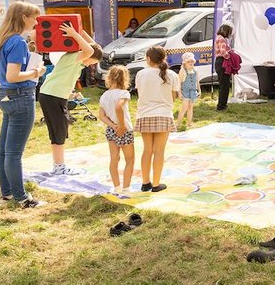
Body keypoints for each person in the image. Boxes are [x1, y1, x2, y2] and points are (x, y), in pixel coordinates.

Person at [0, 1, 45, 208]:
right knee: (14, 152)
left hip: (6, 97)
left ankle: (8, 194)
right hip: (21, 97)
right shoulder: (18, 43)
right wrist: (36, 73)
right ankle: (22, 198)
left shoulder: (1, 39)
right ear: (24, 17)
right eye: (34, 18)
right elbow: (14, 76)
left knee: (3, 150)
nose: (36, 22)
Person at [38, 24, 102, 175]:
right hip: (51, 96)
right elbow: (90, 50)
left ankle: (59, 165)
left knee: (61, 129)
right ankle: (59, 167)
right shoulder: (75, 57)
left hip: (54, 96)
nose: (89, 65)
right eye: (91, 63)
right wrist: (73, 33)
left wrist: (80, 30)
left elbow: (95, 47)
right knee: (58, 132)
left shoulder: (76, 59)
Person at [135, 46, 180, 192]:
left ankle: (145, 183)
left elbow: (140, 93)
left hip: (145, 114)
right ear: (163, 58)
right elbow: (173, 97)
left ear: (148, 59)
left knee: (147, 150)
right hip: (163, 114)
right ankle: (155, 184)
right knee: (159, 151)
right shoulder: (172, 75)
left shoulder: (141, 74)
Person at [98, 65, 135, 193]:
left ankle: (117, 186)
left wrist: (113, 125)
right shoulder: (124, 94)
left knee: (114, 158)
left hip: (111, 129)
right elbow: (119, 108)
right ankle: (126, 188)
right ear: (124, 79)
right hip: (124, 130)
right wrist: (121, 125)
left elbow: (101, 116)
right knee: (130, 159)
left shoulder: (104, 95)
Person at [177, 52, 199, 129]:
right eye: (188, 62)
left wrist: (199, 90)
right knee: (184, 108)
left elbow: (197, 81)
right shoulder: (183, 71)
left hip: (193, 92)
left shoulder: (195, 70)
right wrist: (179, 93)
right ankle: (177, 124)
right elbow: (179, 83)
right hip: (185, 92)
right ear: (184, 63)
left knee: (190, 107)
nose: (190, 63)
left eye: (192, 61)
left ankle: (189, 123)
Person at [214, 24, 233, 111]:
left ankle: (222, 104)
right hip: (222, 62)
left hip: (219, 62)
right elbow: (223, 52)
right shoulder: (221, 39)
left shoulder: (218, 37)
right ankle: (221, 106)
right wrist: (230, 56)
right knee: (224, 85)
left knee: (223, 85)